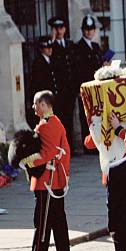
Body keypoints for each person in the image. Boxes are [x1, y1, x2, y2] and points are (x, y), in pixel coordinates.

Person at [16, 91, 71, 251]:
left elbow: (46, 154)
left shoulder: (45, 126)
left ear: (44, 105)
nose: (33, 107)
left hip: (46, 181)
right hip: (56, 180)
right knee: (58, 221)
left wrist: (24, 161)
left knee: (42, 222)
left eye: (35, 103)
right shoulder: (57, 122)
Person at [75, 15, 103, 154]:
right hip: (86, 88)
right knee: (87, 117)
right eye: (86, 29)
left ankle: (97, 142)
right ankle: (89, 146)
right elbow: (78, 71)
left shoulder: (96, 46)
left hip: (97, 89)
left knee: (97, 116)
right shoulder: (78, 47)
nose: (89, 32)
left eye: (91, 29)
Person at [48, 16, 76, 153]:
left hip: (70, 88)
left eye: (61, 28)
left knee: (69, 118)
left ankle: (70, 146)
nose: (59, 31)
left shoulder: (70, 44)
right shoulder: (51, 46)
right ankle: (61, 147)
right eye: (56, 28)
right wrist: (52, 41)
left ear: (65, 29)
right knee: (60, 119)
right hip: (58, 89)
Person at [30, 37, 58, 104]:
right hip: (44, 98)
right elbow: (39, 83)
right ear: (41, 49)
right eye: (47, 48)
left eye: (51, 47)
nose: (50, 49)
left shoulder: (51, 60)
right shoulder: (38, 63)